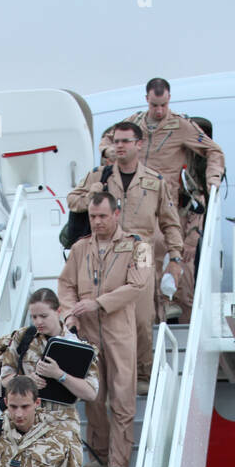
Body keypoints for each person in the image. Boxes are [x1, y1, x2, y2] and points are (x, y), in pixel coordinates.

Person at [67, 122, 184, 393]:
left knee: (143, 316)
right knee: (103, 317)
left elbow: (170, 222)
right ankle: (103, 376)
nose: (119, 146)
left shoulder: (154, 181)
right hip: (104, 250)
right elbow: (72, 201)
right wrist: (92, 196)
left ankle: (143, 372)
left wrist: (175, 257)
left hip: (141, 249)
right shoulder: (100, 174)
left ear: (139, 145)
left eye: (125, 141)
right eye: (116, 141)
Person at [58, 191, 151, 467]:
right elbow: (65, 285)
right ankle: (98, 456)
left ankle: (119, 463)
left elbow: (138, 285)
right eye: (92, 217)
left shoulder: (140, 246)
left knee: (122, 397)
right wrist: (69, 314)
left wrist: (98, 303)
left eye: (102, 216)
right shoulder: (79, 249)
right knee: (94, 396)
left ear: (116, 214)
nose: (97, 222)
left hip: (119, 330)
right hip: (87, 331)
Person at [131, 78, 225, 322]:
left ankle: (174, 312)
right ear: (146, 100)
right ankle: (154, 316)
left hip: (167, 204)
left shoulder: (182, 126)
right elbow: (108, 142)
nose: (159, 111)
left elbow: (213, 150)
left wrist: (213, 178)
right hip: (138, 207)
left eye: (163, 105)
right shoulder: (134, 124)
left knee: (173, 259)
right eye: (154, 105)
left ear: (169, 99)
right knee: (142, 266)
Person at [0, 288, 100, 445]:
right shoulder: (22, 338)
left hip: (61, 428)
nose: (38, 322)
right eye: (34, 317)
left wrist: (59, 375)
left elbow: (90, 393)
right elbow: (4, 379)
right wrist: (27, 381)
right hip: (23, 425)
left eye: (43, 316)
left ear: (58, 311)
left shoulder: (78, 346)